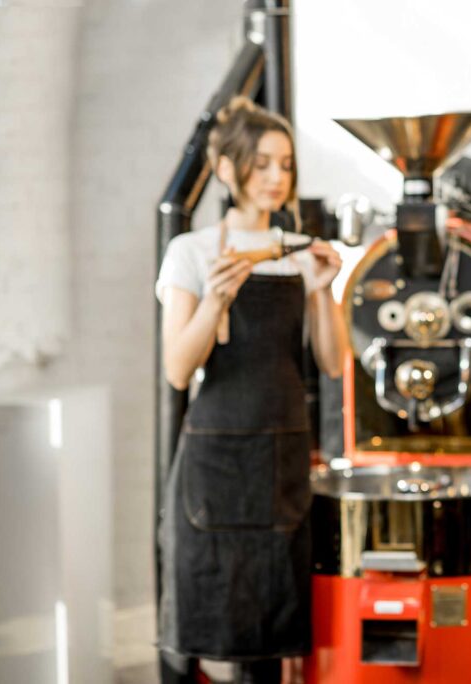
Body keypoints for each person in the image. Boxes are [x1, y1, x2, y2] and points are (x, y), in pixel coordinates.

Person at [155, 96, 344, 684]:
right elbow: (178, 370)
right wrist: (215, 298)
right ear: (226, 169)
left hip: (281, 461)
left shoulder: (299, 254)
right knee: (211, 620)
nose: (275, 177)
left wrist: (323, 288)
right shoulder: (191, 252)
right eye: (260, 164)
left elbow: (332, 362)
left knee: (270, 633)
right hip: (215, 462)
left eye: (284, 164)